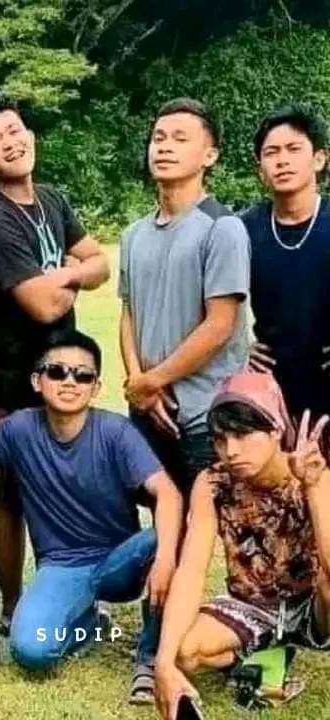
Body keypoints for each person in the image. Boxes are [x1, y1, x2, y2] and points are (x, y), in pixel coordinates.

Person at [0, 91, 110, 630]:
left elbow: (100, 263)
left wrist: (66, 273)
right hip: (15, 374)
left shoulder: (50, 198)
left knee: (66, 481)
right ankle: (11, 602)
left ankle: (66, 592)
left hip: (62, 366)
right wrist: (73, 276)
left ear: (30, 134)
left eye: (14, 130)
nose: (10, 143)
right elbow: (42, 305)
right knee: (17, 489)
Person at [0, 330, 182, 703]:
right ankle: (89, 627)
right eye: (57, 371)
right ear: (37, 381)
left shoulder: (115, 432)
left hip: (122, 562)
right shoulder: (18, 430)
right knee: (32, 649)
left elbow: (168, 493)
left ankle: (148, 658)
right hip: (62, 566)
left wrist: (165, 558)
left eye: (83, 375)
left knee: (170, 535)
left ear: (95, 388)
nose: (69, 382)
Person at [155, 372, 330, 720]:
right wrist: (163, 660)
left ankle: (278, 644)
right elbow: (192, 568)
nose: (231, 451)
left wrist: (312, 487)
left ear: (276, 429)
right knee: (185, 653)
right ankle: (266, 652)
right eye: (220, 439)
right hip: (251, 605)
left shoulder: (313, 474)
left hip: (312, 608)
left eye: (243, 434)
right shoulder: (212, 482)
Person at [120, 97, 250, 504]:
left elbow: (220, 325)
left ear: (209, 155)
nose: (164, 147)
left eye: (180, 138)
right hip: (147, 410)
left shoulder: (223, 228)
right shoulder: (133, 234)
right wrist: (138, 383)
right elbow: (128, 313)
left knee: (210, 524)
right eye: (158, 138)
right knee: (161, 519)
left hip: (205, 416)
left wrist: (151, 381)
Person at [242, 105, 330, 429]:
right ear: (260, 169)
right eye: (271, 152)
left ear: (319, 159)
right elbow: (211, 298)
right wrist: (239, 346)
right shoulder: (243, 229)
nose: (282, 160)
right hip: (270, 389)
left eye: (294, 149)